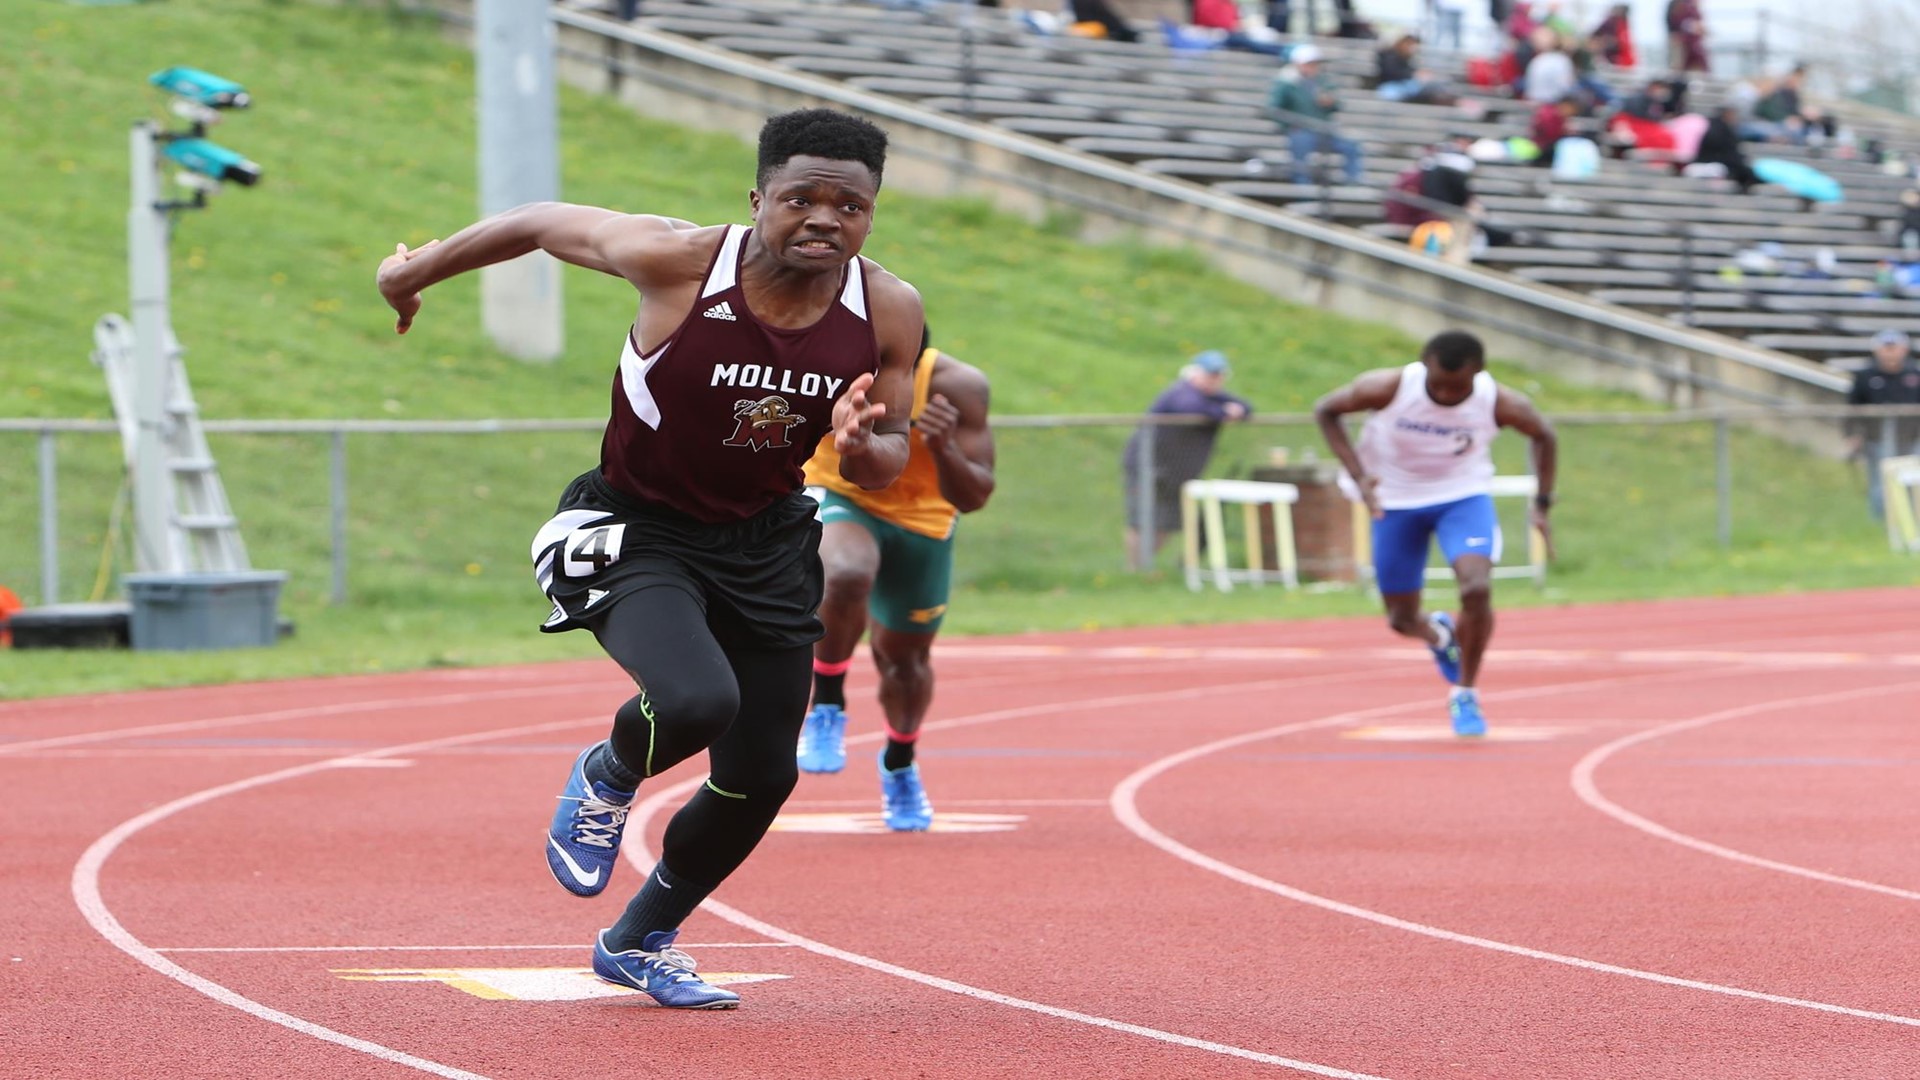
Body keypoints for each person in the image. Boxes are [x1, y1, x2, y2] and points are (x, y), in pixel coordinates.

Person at [375, 108, 923, 1009]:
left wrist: (860, 442)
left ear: (870, 213)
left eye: (850, 206)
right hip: (638, 526)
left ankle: (641, 940)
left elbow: (890, 452)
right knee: (696, 701)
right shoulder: (680, 260)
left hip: (768, 540)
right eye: (801, 199)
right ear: (758, 200)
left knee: (762, 776)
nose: (825, 219)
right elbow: (539, 221)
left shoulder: (887, 308)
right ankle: (609, 773)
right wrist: (410, 274)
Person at [794, 327, 996, 830]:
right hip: (842, 496)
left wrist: (945, 447)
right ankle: (828, 703)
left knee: (904, 662)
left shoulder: (957, 385)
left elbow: (974, 497)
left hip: (922, 521)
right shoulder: (814, 371)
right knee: (844, 573)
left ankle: (900, 762)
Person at [1313, 331, 1557, 736]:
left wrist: (1543, 501)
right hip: (1395, 500)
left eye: (1456, 387)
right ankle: (1439, 633)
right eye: (1437, 382)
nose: (1444, 394)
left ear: (1478, 374)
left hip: (1462, 496)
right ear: (1423, 364)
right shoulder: (1388, 387)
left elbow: (1544, 435)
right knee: (1401, 619)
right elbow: (1326, 410)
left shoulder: (1499, 401)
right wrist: (1359, 476)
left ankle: (1465, 690)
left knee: (1477, 588)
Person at [1121, 351, 1253, 570]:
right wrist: (1222, 412)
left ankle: (1145, 568)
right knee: (1142, 519)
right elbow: (1190, 408)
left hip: (1177, 473)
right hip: (1149, 466)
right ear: (1195, 374)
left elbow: (1245, 407)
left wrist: (1230, 410)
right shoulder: (1181, 393)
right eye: (1211, 375)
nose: (1215, 380)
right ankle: (1135, 569)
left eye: (1219, 376)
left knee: (1165, 523)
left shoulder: (1214, 397)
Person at [1845, 330, 1920, 520]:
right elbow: (1853, 406)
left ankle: (1911, 522)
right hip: (1876, 438)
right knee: (1879, 481)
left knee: (1912, 479)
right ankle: (1881, 522)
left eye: (1894, 348)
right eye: (1886, 348)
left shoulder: (1915, 374)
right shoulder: (1866, 376)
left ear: (1903, 350)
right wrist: (1851, 434)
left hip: (1912, 438)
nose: (1890, 353)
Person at [1269, 46, 1366, 186]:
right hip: (1300, 130)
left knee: (1351, 146)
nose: (1313, 67)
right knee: (1300, 153)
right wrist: (1290, 125)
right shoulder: (1286, 83)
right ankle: (1303, 189)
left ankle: (1353, 184)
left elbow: (1337, 105)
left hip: (1323, 129)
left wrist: (1330, 102)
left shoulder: (1323, 81)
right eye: (1309, 63)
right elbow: (1274, 108)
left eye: (1315, 64)